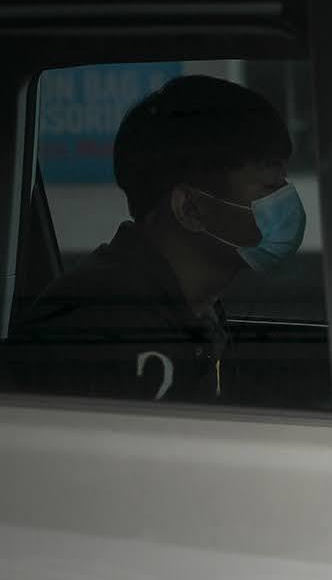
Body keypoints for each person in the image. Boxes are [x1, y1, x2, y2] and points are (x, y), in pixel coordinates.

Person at [12, 75, 305, 402]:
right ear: (190, 209)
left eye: (284, 184)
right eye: (269, 188)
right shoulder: (105, 330)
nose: (287, 203)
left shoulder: (193, 310)